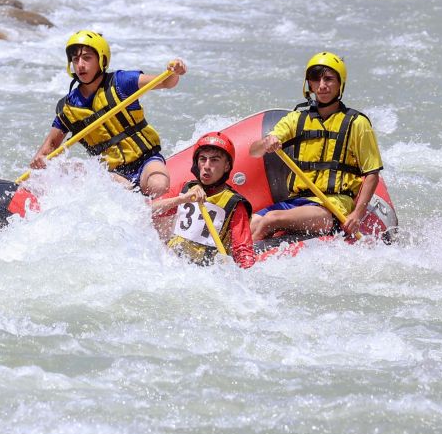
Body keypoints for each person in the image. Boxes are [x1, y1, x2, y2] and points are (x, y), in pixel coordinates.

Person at [28, 29, 185, 199]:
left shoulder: (121, 82)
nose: (80, 65)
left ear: (101, 60)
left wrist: (174, 71)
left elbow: (166, 82)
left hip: (146, 160)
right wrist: (39, 162)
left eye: (87, 58)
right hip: (111, 174)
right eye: (75, 59)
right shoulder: (68, 107)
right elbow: (49, 148)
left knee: (158, 185)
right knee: (75, 169)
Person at [248, 51, 383, 241]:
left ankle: (244, 260)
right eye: (316, 79)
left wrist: (357, 214)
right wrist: (266, 142)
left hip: (333, 207)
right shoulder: (296, 119)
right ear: (309, 85)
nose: (322, 85)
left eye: (329, 79)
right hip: (296, 202)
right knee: (248, 226)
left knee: (271, 219)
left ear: (340, 83)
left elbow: (372, 174)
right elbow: (254, 151)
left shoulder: (357, 123)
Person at [151, 132, 255, 268]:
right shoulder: (185, 189)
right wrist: (181, 199)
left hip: (206, 271)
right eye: (202, 159)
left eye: (214, 160)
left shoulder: (235, 204)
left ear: (226, 166)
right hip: (172, 263)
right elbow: (148, 210)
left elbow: (243, 252)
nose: (206, 166)